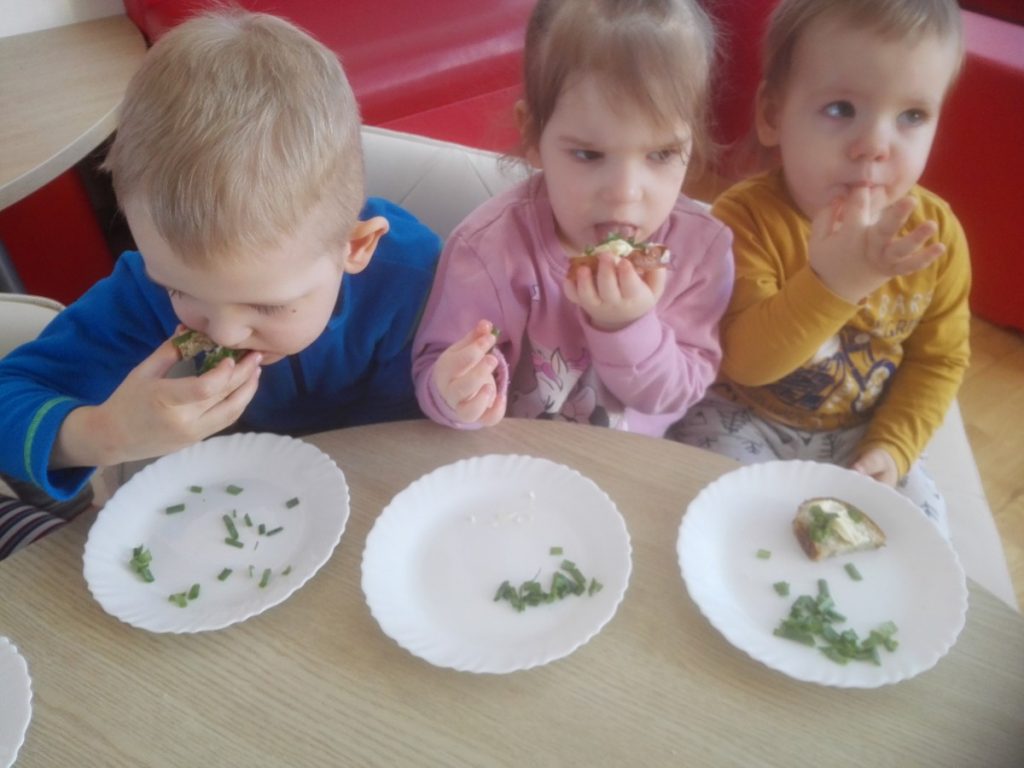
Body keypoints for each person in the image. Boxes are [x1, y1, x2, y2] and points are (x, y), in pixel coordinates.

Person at [0, 10, 440, 516]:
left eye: (267, 306)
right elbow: (11, 395)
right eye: (181, 291)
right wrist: (106, 432)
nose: (224, 334)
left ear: (356, 249)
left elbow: (425, 436)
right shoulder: (143, 291)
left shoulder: (415, 279)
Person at [670, 0, 969, 534]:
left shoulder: (934, 236)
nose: (875, 145)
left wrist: (893, 447)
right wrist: (836, 284)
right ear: (773, 115)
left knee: (920, 531)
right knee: (707, 511)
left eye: (912, 116)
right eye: (841, 109)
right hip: (743, 415)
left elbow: (939, 361)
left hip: (862, 431)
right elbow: (744, 361)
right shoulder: (744, 220)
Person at [411, 0, 734, 435]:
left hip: (629, 464)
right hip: (513, 460)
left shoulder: (700, 253)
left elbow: (678, 395)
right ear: (533, 135)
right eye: (588, 154)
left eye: (661, 154)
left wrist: (627, 326)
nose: (626, 192)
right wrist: (456, 392)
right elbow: (437, 367)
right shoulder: (488, 249)